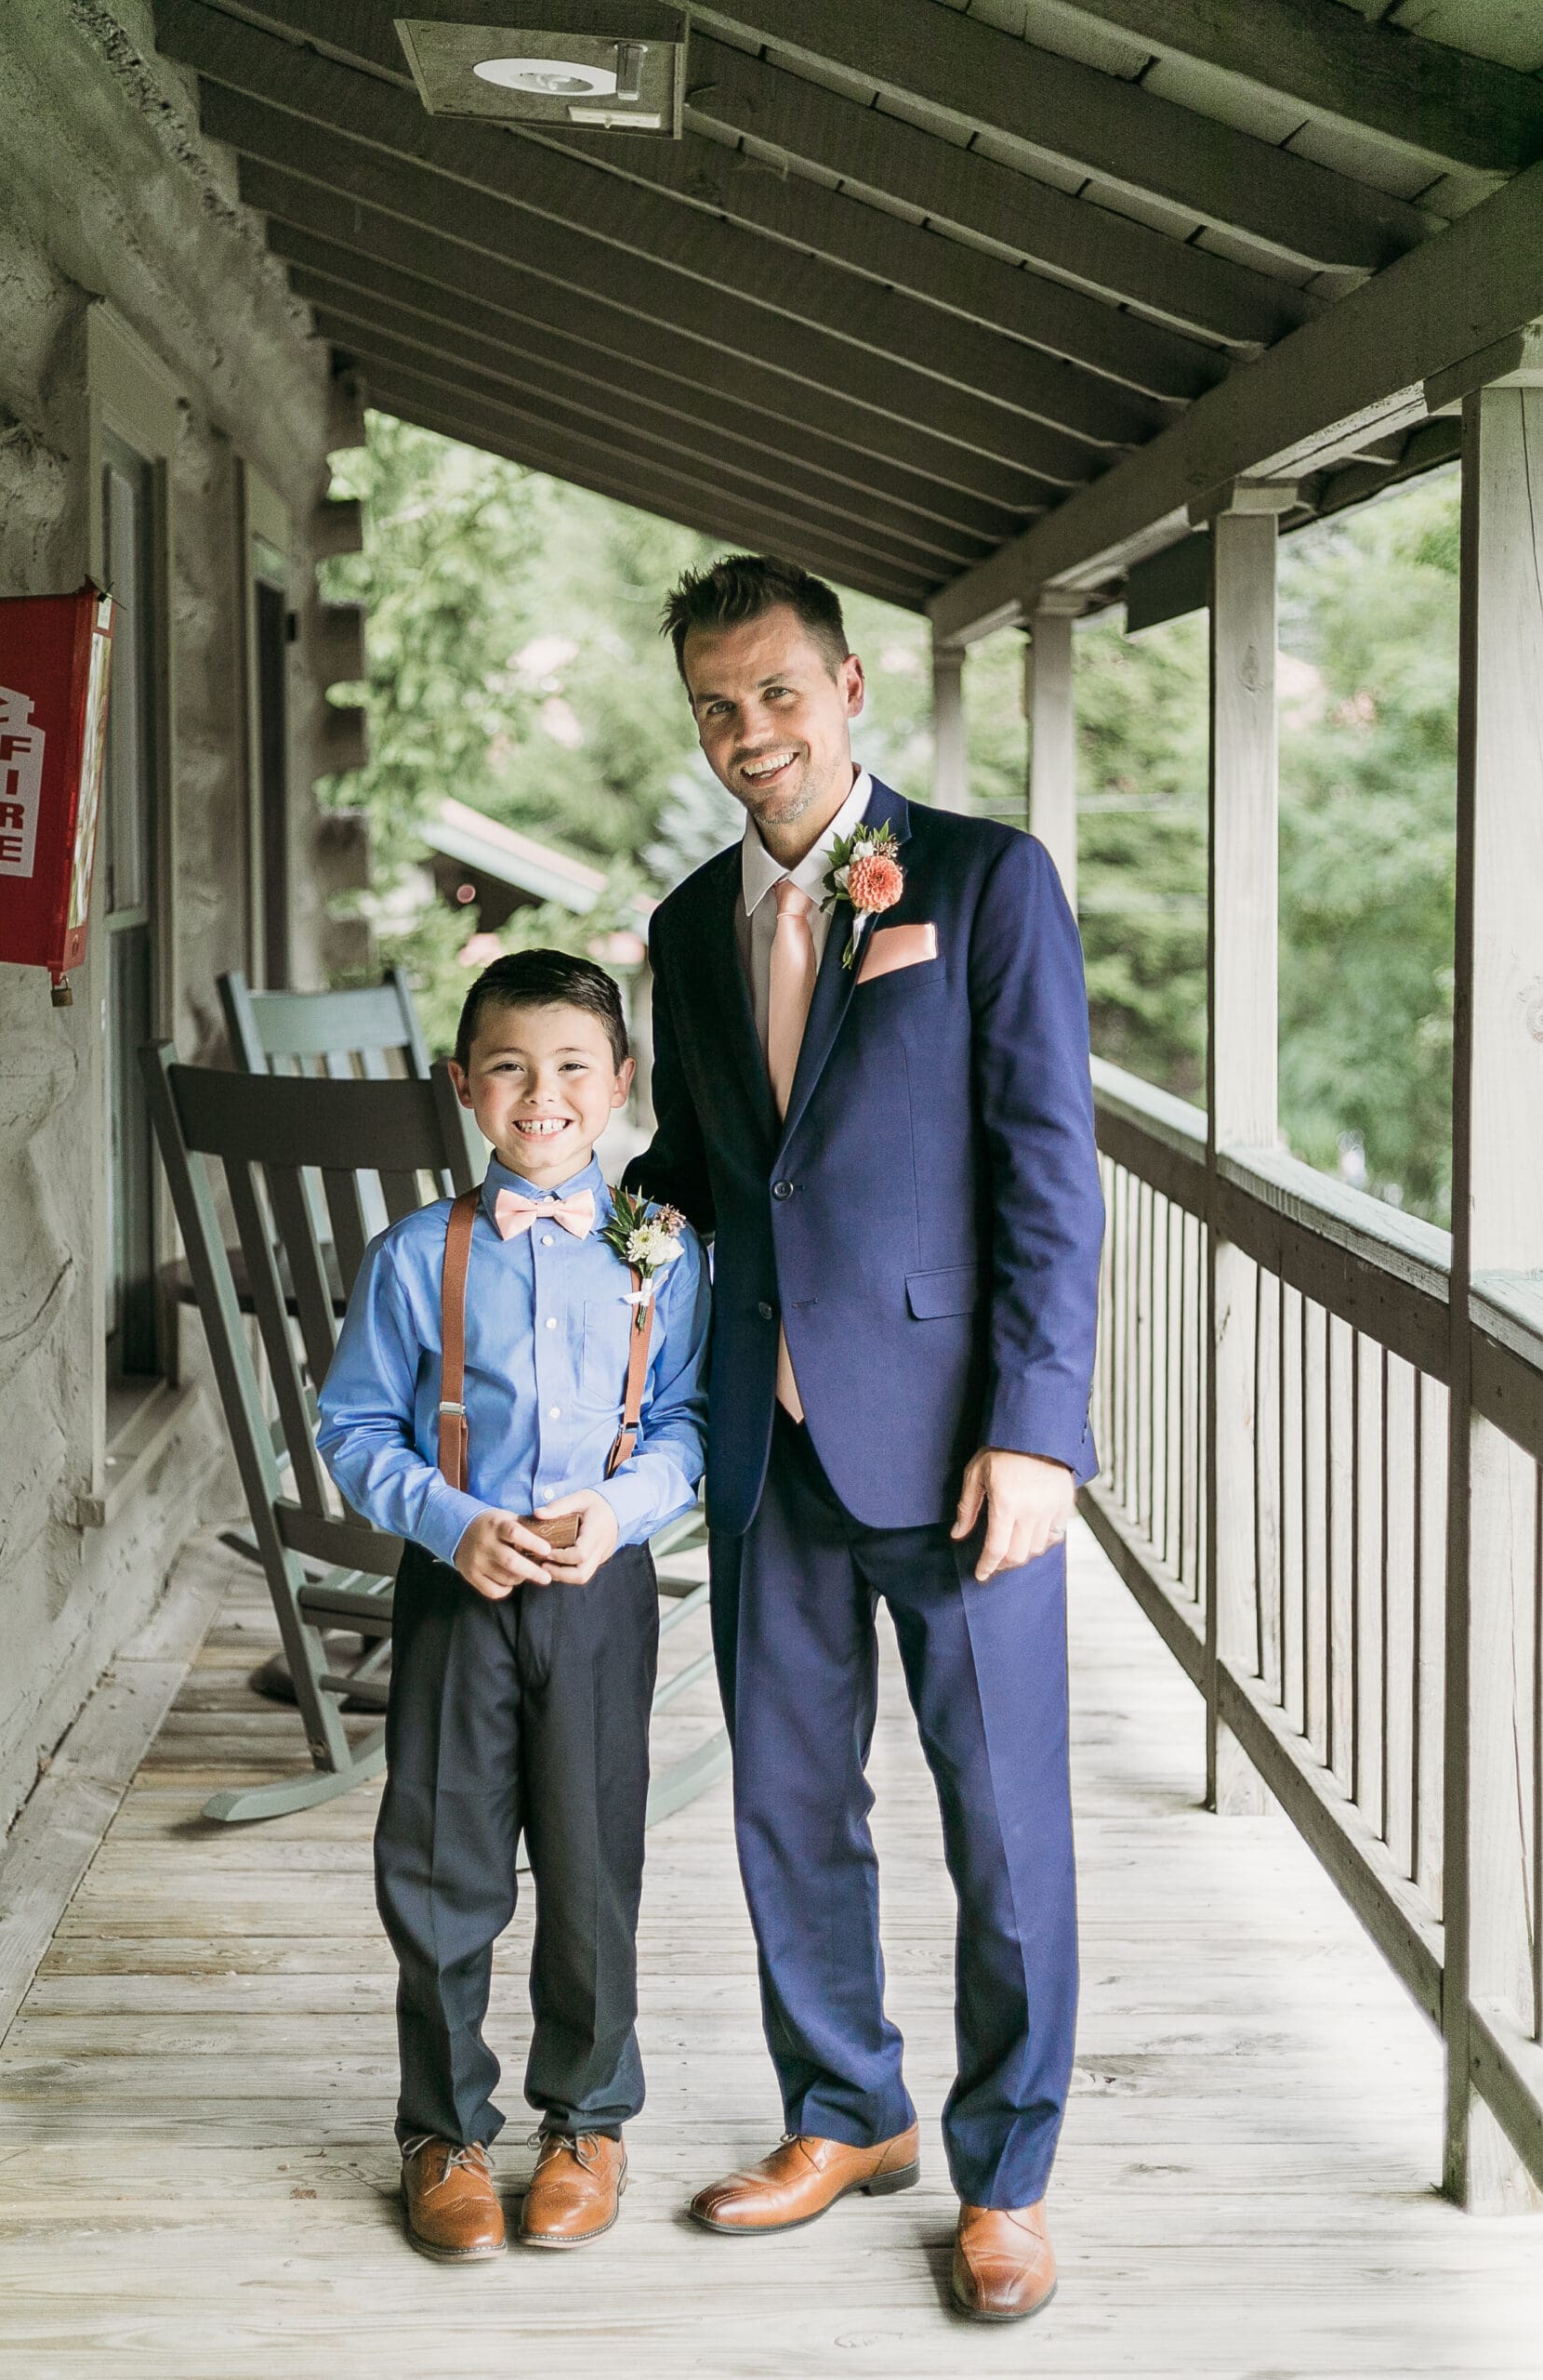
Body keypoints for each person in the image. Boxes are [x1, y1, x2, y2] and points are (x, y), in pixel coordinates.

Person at [625, 555, 1102, 2323]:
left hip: (964, 1447)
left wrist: (1039, 1432)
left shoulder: (980, 881)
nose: (751, 735)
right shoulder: (686, 927)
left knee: (1005, 1821)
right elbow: (697, 1167)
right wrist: (580, 1251)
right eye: (716, 708)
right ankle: (847, 2112)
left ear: (844, 691)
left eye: (777, 696)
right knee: (790, 1802)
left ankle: (1010, 2173)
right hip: (768, 1440)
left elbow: (1050, 1171)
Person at [318, 948, 709, 2264]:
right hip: (455, 1585)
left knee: (594, 1860)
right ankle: (444, 2128)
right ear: (466, 1090)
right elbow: (356, 1425)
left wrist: (621, 1509)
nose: (541, 1094)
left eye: (570, 1068)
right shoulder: (417, 1253)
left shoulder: (660, 1253)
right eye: (509, 1068)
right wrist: (450, 1520)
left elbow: (687, 1423)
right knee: (440, 1862)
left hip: (601, 1587)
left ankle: (588, 2117)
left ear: (618, 1088)